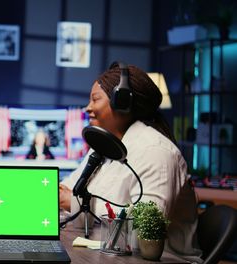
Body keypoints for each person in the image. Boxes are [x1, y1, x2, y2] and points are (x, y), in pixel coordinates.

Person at [59, 62, 201, 260]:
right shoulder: (103, 148)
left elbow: (145, 231)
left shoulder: (155, 151)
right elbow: (66, 190)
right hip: (108, 254)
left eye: (95, 99)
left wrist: (78, 203)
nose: (87, 108)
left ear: (122, 102)